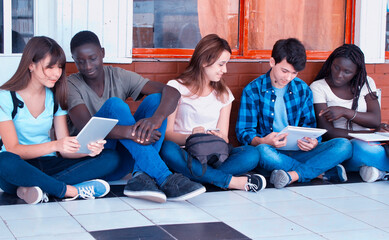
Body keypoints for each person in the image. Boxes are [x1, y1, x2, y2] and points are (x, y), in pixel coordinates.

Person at [67, 30, 205, 203]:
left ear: (102, 53)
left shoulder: (118, 75)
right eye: (80, 61)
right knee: (115, 105)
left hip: (125, 160)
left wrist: (157, 119)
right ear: (74, 60)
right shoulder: (71, 85)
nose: (87, 66)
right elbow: (86, 128)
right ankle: (164, 177)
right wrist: (133, 133)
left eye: (92, 58)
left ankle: (141, 176)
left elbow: (172, 92)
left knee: (156, 100)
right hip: (98, 161)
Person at [0, 36, 120, 204]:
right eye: (50, 67)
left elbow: (64, 150)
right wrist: (55, 145)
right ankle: (68, 190)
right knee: (4, 161)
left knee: (110, 157)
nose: (56, 73)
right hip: (18, 165)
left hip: (49, 163)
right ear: (31, 65)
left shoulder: (54, 97)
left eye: (60, 67)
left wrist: (88, 151)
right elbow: (13, 149)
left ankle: (34, 188)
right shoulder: (5, 97)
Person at [236, 38, 352, 189]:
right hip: (272, 153)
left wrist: (313, 142)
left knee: (344, 145)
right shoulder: (253, 90)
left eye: (294, 73)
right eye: (284, 71)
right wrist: (263, 141)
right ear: (272, 62)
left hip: (300, 151)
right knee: (262, 152)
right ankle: (319, 172)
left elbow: (309, 126)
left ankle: (292, 175)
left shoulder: (302, 89)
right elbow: (243, 132)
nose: (288, 78)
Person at [159, 34, 266, 192]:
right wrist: (191, 136)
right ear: (204, 61)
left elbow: (224, 136)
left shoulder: (224, 94)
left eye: (226, 64)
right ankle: (229, 181)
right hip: (185, 152)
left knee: (252, 153)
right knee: (166, 149)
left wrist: (217, 136)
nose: (225, 70)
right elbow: (167, 133)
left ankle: (194, 177)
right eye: (221, 64)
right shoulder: (175, 87)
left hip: (214, 155)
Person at [311, 44, 389, 183]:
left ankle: (375, 172)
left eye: (347, 72)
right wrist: (371, 133)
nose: (339, 75)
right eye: (336, 67)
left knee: (370, 149)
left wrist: (346, 112)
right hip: (343, 146)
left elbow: (375, 120)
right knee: (365, 150)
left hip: (370, 141)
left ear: (356, 72)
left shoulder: (366, 82)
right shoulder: (318, 87)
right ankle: (379, 170)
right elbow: (328, 131)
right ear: (331, 63)